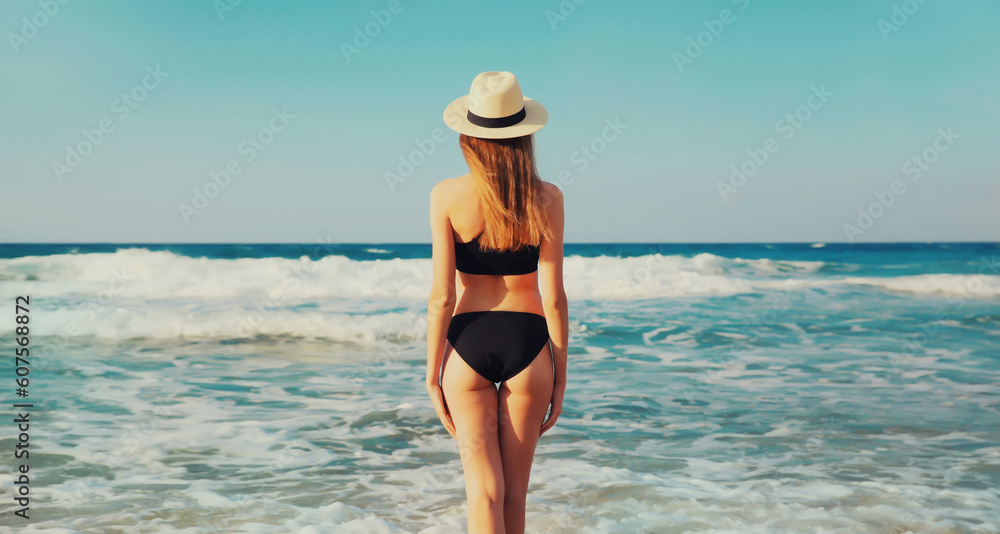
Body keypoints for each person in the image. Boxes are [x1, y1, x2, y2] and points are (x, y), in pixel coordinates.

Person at [425, 71, 569, 534]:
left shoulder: (446, 195)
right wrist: (561, 374)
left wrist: (432, 375)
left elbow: (442, 296)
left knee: (482, 493)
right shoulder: (547, 198)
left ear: (468, 135)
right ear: (525, 135)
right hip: (529, 346)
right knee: (514, 494)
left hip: (467, 344)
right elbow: (555, 297)